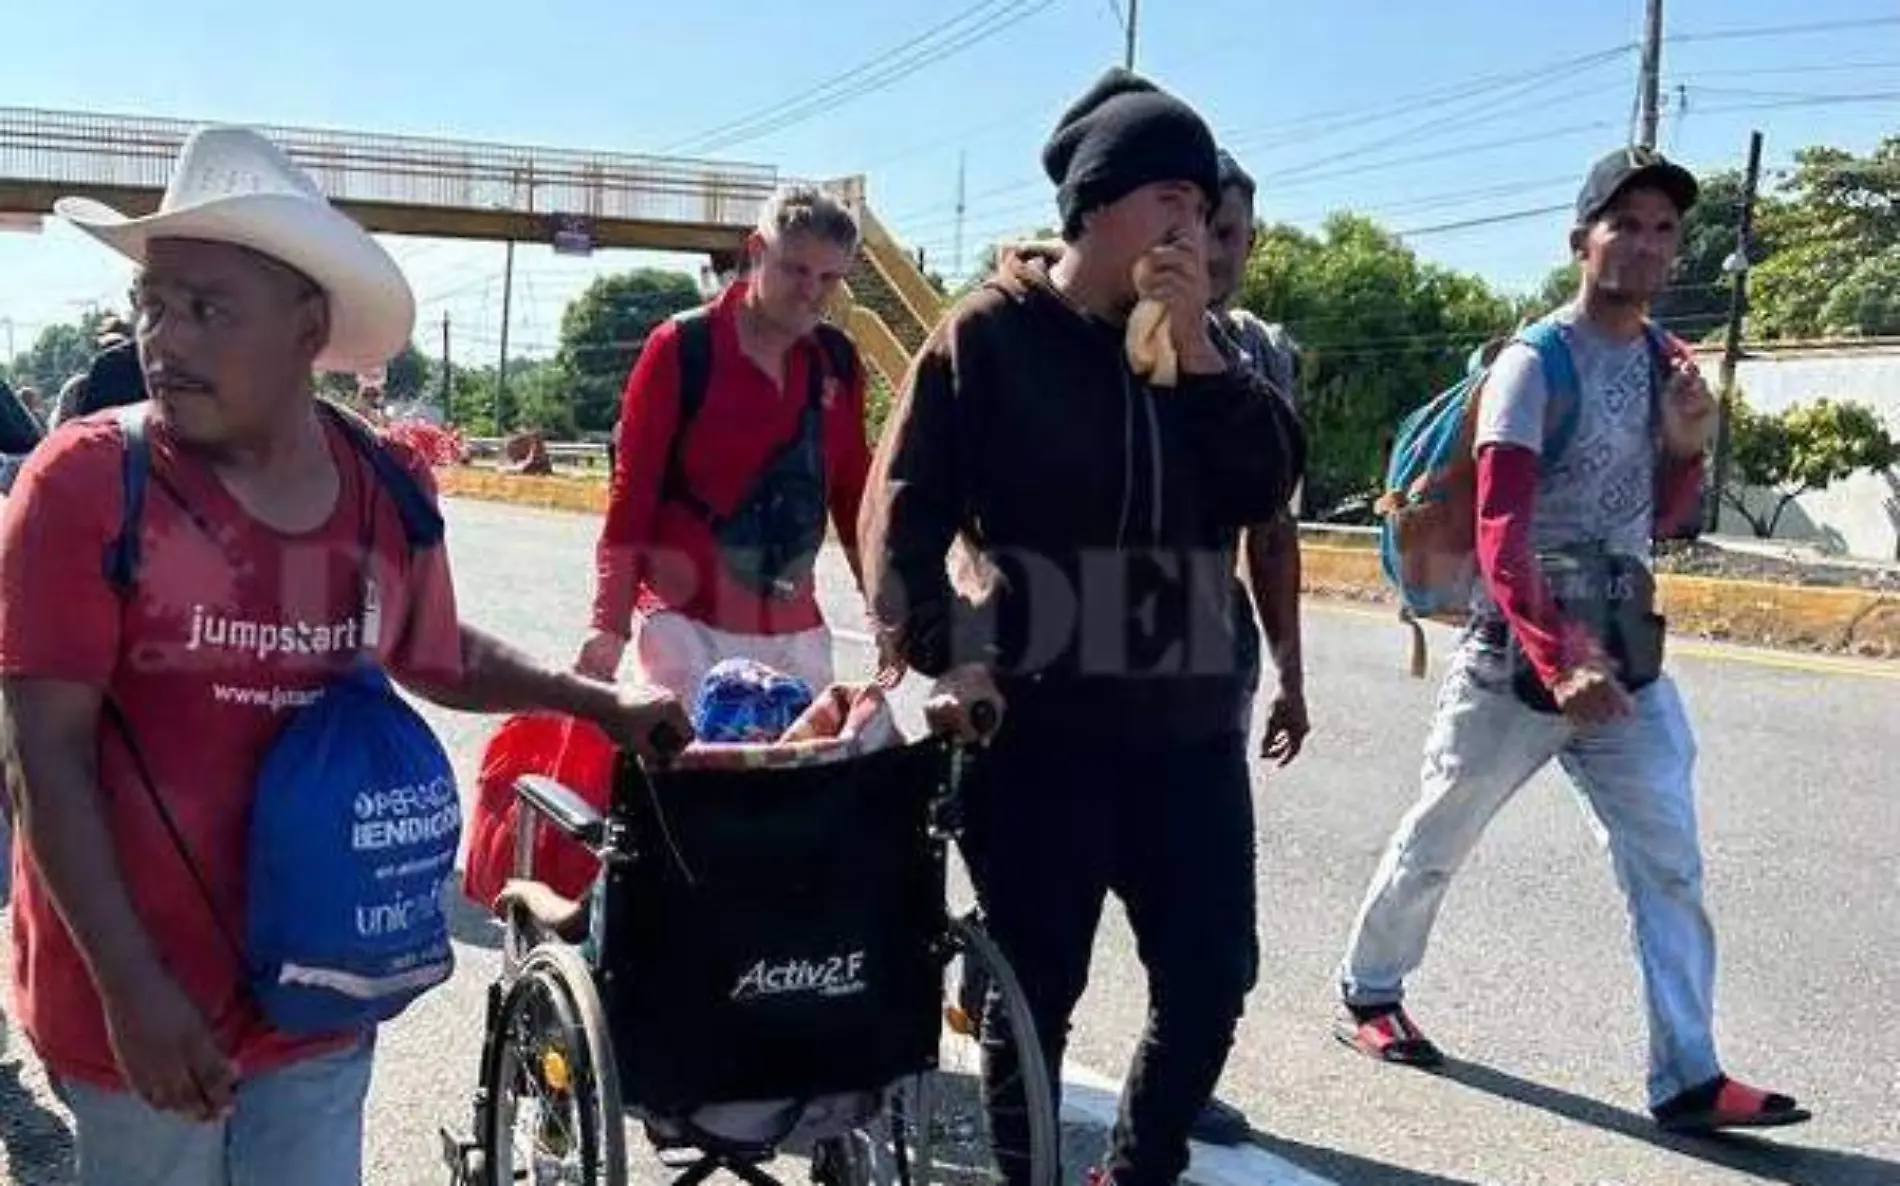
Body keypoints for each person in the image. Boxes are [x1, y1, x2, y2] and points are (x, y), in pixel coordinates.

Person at [0, 125, 690, 1186]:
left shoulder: (377, 487)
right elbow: (41, 752)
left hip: (318, 988)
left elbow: (433, 647)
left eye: (207, 308)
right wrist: (133, 990)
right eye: (154, 302)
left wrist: (596, 701)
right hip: (129, 993)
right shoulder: (84, 485)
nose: (161, 338)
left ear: (307, 326)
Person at [861, 68, 1304, 1186]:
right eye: (1170, 199)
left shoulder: (1209, 350)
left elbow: (1266, 484)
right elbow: (900, 524)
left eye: (1205, 211)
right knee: (1034, 992)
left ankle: (1137, 1167)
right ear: (1097, 207)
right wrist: (947, 656)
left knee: (1212, 977)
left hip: (1189, 725)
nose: (1192, 227)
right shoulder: (990, 338)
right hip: (1039, 730)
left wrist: (1200, 355)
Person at [1331, 146, 1810, 1136]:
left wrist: (1684, 448)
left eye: (1662, 229)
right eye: (1623, 225)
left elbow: (1662, 514)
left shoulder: (1663, 362)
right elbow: (1503, 533)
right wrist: (1558, 657)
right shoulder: (1533, 364)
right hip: (1520, 659)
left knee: (1667, 859)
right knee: (1436, 838)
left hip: (1622, 654)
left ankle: (1688, 1073)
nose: (1643, 245)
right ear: (1579, 239)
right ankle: (1369, 990)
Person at [578, 185, 873, 699]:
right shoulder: (682, 348)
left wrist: (885, 610)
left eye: (829, 278)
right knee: (699, 775)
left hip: (794, 628)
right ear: (757, 252)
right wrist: (609, 624)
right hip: (684, 626)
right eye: (795, 270)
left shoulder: (839, 363)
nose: (812, 292)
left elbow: (854, 499)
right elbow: (634, 495)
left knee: (811, 774)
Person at [1205, 148, 1310, 766]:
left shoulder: (1262, 357)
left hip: (1214, 663)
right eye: (1192, 229)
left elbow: (1272, 536)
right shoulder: (1106, 338)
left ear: (1252, 239)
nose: (1211, 253)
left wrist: (1290, 681)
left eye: (1226, 232)